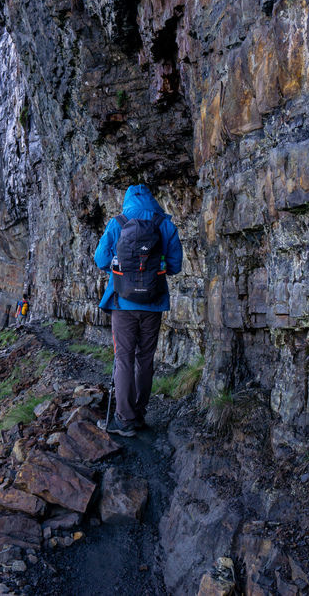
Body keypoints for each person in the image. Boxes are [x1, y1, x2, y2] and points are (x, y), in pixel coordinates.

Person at [93, 184, 183, 436]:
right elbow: (175, 266)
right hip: (153, 305)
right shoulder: (164, 224)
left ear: (127, 201)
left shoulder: (117, 223)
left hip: (122, 303)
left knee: (123, 358)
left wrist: (120, 267)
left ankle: (125, 419)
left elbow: (100, 259)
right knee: (144, 359)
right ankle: (139, 414)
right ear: (152, 200)